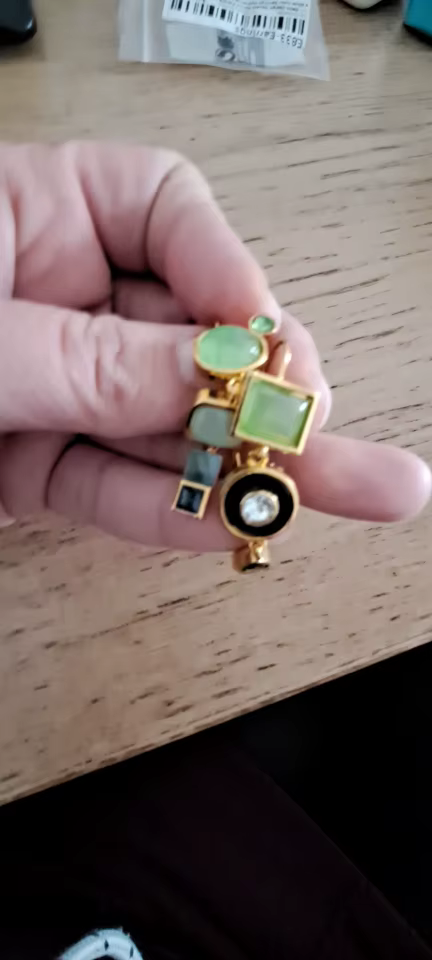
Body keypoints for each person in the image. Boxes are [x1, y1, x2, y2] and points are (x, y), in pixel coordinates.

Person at [0, 142, 430, 960]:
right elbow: (165, 412)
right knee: (199, 472)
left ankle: (231, 521)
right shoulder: (206, 403)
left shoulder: (252, 411)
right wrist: (125, 375)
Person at [0, 141, 430, 540]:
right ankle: (198, 501)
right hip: (216, 435)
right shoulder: (215, 405)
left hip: (228, 441)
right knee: (204, 460)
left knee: (207, 459)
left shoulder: (247, 410)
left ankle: (205, 504)